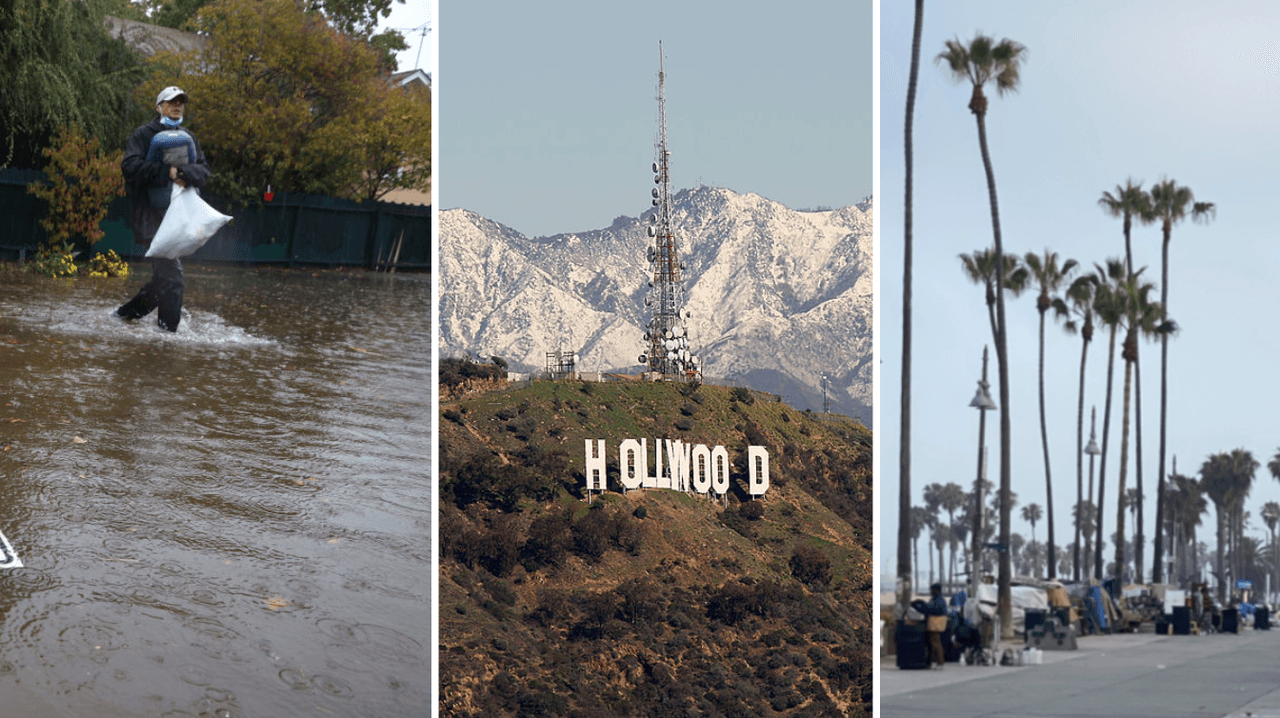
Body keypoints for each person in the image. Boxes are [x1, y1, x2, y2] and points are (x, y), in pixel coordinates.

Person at [115, 86, 211, 331]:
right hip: (151, 219)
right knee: (173, 277)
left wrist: (182, 173)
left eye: (181, 102)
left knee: (163, 281)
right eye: (171, 102)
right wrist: (165, 172)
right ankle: (168, 336)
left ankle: (124, 315)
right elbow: (130, 167)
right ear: (159, 107)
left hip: (178, 218)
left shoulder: (189, 137)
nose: (177, 106)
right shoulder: (143, 134)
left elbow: (204, 171)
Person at [913, 583, 949, 670]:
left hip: (936, 621)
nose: (930, 592)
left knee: (936, 642)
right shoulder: (937, 599)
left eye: (932, 590)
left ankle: (940, 663)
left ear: (936, 590)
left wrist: (919, 605)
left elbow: (930, 609)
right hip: (936, 621)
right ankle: (936, 662)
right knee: (934, 642)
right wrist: (921, 604)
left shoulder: (938, 599)